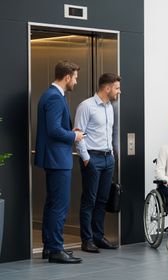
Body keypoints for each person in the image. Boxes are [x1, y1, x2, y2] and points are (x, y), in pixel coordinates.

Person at [35, 60, 84, 264]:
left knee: (52, 204)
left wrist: (69, 132)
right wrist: (74, 137)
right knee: (59, 206)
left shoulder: (52, 95)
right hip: (57, 159)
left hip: (55, 158)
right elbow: (54, 130)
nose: (76, 81)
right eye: (75, 78)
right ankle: (55, 249)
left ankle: (50, 246)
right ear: (67, 77)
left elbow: (55, 127)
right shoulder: (55, 97)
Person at [74, 73, 121, 253]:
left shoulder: (110, 107)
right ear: (107, 88)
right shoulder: (86, 106)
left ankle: (98, 237)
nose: (119, 91)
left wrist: (113, 157)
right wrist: (86, 158)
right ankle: (86, 240)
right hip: (92, 158)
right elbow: (79, 135)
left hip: (108, 158)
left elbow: (110, 134)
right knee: (89, 200)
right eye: (116, 88)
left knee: (102, 200)